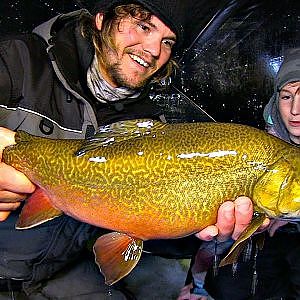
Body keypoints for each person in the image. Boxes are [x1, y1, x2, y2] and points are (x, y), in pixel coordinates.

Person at [0, 0, 258, 298]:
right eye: (143, 26)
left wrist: (202, 232)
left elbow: (156, 236)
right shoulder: (15, 60)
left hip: (59, 270)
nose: (153, 50)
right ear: (100, 19)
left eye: (167, 41)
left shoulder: (151, 128)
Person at [178, 48, 300, 300]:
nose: (295, 109)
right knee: (229, 286)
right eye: (286, 97)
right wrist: (196, 284)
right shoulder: (255, 146)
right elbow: (212, 232)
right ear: (276, 101)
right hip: (259, 246)